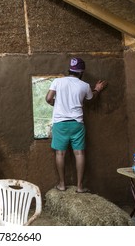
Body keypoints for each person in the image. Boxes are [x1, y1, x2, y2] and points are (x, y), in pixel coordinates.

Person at [45, 58, 107, 193]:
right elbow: (91, 98)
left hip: (60, 124)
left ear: (70, 69)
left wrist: (57, 104)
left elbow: (48, 98)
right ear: (81, 72)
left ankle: (62, 185)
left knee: (60, 154)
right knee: (79, 153)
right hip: (77, 124)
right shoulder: (84, 85)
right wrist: (97, 89)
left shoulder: (58, 81)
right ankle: (79, 187)